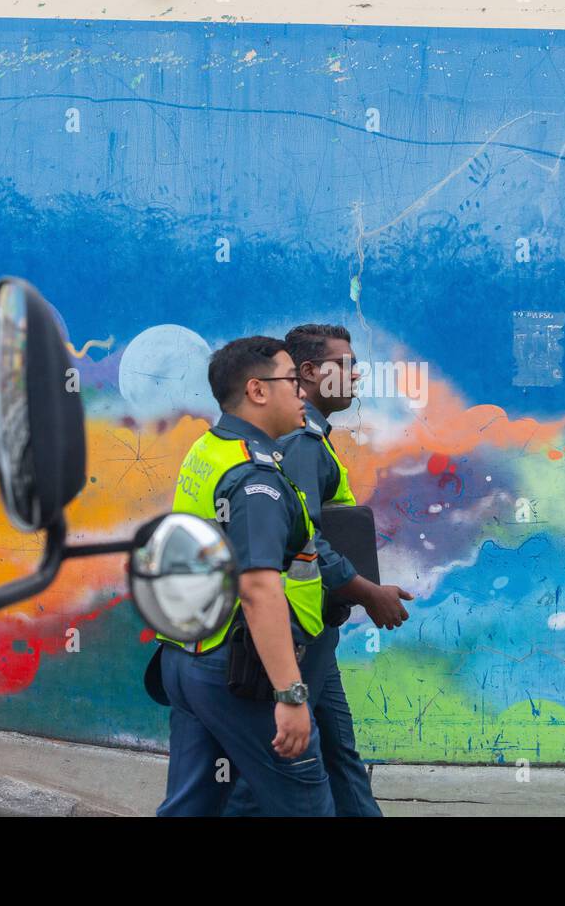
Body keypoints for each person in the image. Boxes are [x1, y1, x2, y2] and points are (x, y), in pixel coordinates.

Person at [223, 323, 412, 818]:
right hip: (297, 629)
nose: (357, 375)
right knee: (276, 762)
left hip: (314, 629)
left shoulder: (313, 438)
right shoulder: (304, 443)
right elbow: (307, 538)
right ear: (309, 373)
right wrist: (368, 591)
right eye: (346, 365)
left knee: (338, 756)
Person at [155, 336, 335, 817]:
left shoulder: (209, 449)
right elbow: (258, 589)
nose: (303, 392)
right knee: (306, 803)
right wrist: (291, 695)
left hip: (189, 655)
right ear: (258, 391)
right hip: (238, 670)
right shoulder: (257, 479)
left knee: (194, 806)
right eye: (293, 381)